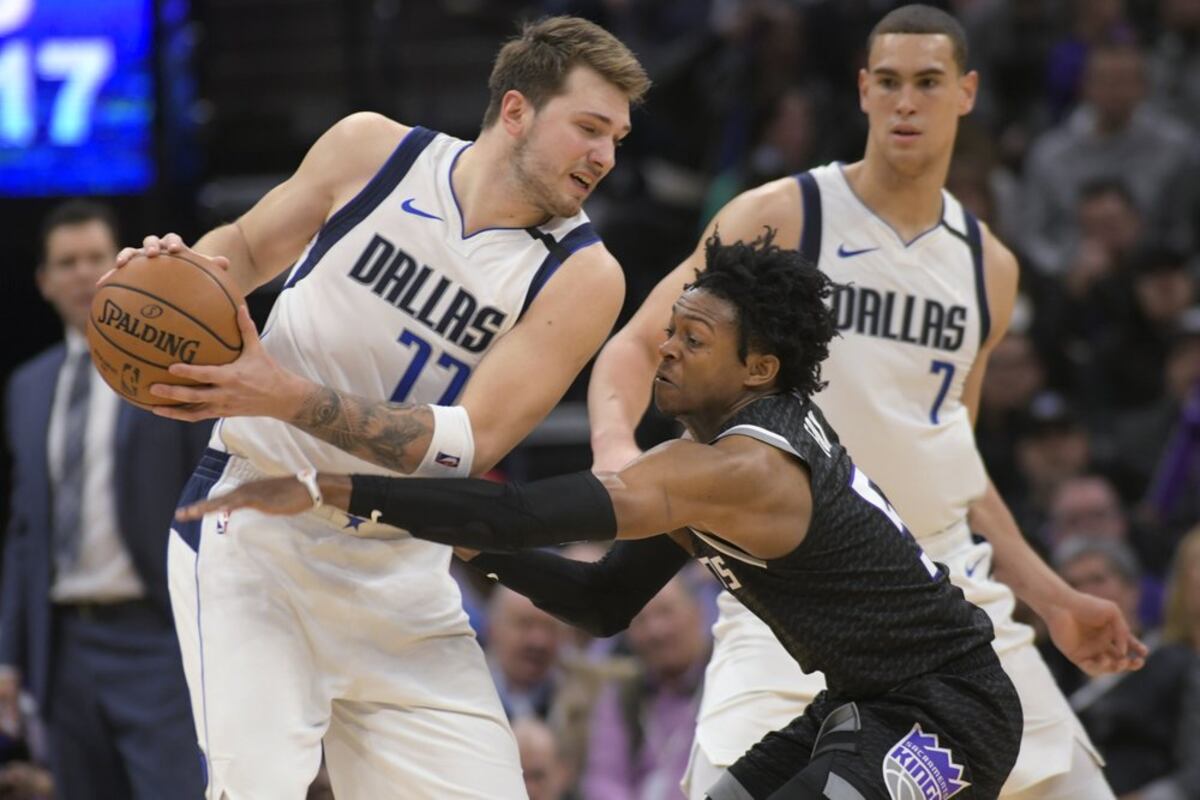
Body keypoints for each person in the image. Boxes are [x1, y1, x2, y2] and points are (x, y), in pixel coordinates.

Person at [177, 232, 1026, 799]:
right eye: (674, 328)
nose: (666, 345)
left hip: (951, 714)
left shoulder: (742, 469)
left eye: (694, 338)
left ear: (759, 366)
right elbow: (604, 603)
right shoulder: (708, 458)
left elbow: (527, 512)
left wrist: (340, 488)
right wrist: (471, 544)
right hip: (860, 701)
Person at [583, 6, 1145, 799]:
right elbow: (638, 345)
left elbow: (956, 458)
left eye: (927, 82)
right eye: (889, 82)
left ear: (968, 93)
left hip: (939, 595)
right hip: (792, 588)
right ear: (862, 91)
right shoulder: (786, 214)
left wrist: (1052, 599)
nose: (906, 102)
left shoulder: (990, 266)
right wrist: (616, 456)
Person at [108, 16, 648, 798]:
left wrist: (287, 394)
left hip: (403, 572)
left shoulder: (584, 275)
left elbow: (470, 443)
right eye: (589, 128)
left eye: (617, 140)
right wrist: (172, 272)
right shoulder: (374, 150)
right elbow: (249, 251)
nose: (603, 157)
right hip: (254, 534)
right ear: (517, 110)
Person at [1, 200, 208, 798]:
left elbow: (210, 491)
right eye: (66, 262)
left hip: (154, 633)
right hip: (61, 643)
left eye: (95, 257)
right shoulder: (27, 386)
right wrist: (9, 657)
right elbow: (24, 532)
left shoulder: (174, 366)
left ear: (119, 269)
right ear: (44, 281)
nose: (82, 272)